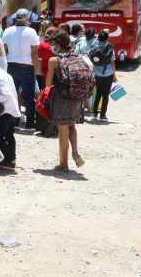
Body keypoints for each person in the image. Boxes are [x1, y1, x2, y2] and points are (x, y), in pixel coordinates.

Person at [45, 28, 86, 173]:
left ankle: (64, 164)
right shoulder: (77, 56)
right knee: (71, 126)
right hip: (76, 97)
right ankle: (75, 153)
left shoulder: (54, 60)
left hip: (62, 98)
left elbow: (49, 83)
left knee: (62, 131)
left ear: (57, 44)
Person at [2, 8, 40, 131]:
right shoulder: (31, 32)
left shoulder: (7, 31)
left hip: (11, 66)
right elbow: (34, 53)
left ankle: (15, 122)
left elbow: (4, 50)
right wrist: (35, 68)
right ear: (27, 19)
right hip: (26, 67)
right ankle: (29, 124)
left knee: (13, 96)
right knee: (29, 97)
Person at [90, 30, 117, 122]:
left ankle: (94, 114)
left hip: (97, 74)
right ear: (107, 38)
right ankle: (102, 116)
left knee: (98, 94)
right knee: (105, 95)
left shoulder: (95, 46)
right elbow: (112, 63)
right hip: (108, 74)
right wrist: (114, 75)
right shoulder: (109, 48)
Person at [37, 25, 57, 91]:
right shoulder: (57, 45)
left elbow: (38, 56)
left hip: (45, 72)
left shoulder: (42, 44)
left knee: (45, 90)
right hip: (56, 73)